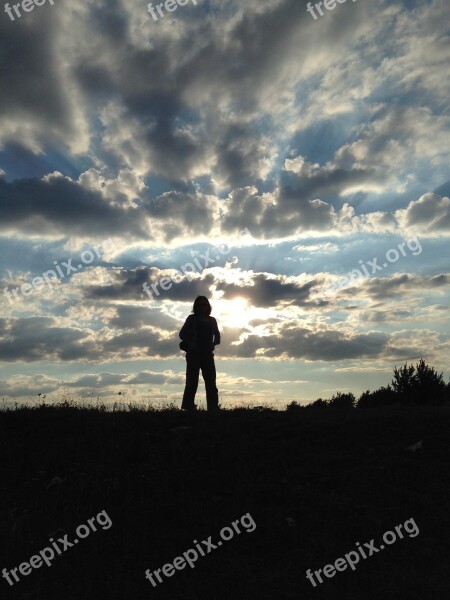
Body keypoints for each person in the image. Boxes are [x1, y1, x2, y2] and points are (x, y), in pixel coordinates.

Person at [179, 296, 220, 412]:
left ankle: (213, 408)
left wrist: (213, 344)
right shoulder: (191, 319)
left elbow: (218, 337)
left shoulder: (212, 320)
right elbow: (182, 334)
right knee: (192, 381)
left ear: (208, 306)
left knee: (211, 382)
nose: (202, 306)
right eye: (200, 304)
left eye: (204, 304)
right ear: (195, 306)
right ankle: (188, 407)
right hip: (193, 354)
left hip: (207, 354)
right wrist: (191, 344)